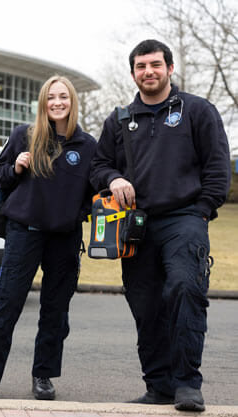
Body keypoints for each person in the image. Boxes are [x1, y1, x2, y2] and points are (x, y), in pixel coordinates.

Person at [89, 39, 231, 412]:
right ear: (133, 72)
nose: (148, 72)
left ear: (169, 68)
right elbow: (98, 166)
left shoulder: (198, 111)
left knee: (186, 290)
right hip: (135, 226)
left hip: (185, 219)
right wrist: (112, 179)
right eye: (140, 66)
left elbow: (217, 168)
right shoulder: (120, 119)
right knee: (145, 303)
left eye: (155, 64)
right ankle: (159, 386)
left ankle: (187, 384)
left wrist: (202, 210)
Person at [0, 75, 96, 400]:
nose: (57, 102)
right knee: (7, 305)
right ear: (43, 102)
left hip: (64, 239)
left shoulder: (87, 146)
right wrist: (15, 166)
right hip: (23, 234)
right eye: (51, 97)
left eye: (64, 97)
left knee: (55, 312)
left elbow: (94, 189)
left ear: (72, 102)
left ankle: (43, 376)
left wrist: (77, 213)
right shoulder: (24, 136)